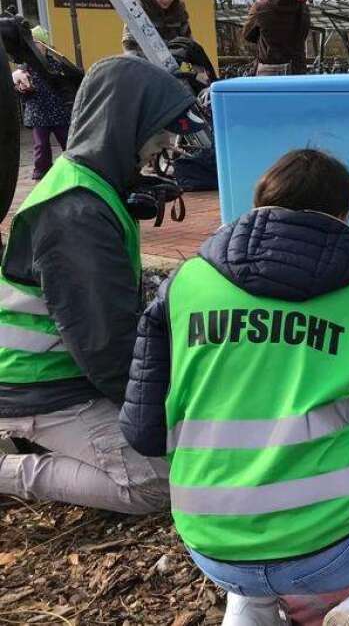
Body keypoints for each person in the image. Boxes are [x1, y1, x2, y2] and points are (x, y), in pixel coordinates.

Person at [120, 149, 349, 626]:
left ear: (259, 203)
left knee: (252, 569)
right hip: (326, 544)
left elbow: (144, 433)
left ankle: (250, 604)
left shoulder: (184, 282)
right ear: (342, 215)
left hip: (211, 545)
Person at [0, 56, 200, 513]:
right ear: (125, 122)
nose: (168, 143)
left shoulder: (89, 185)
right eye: (161, 129)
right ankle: (13, 469)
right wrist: (164, 414)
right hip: (41, 387)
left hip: (62, 374)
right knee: (166, 480)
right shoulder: (77, 214)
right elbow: (106, 347)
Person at [11, 26, 73, 181]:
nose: (34, 47)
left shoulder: (56, 65)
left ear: (45, 46)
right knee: (41, 146)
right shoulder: (25, 68)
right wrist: (23, 89)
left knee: (67, 141)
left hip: (58, 112)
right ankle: (42, 172)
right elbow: (19, 91)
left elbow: (66, 86)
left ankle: (74, 166)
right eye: (31, 44)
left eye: (37, 43)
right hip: (38, 113)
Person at [243, 0, 311, 76]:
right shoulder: (302, 7)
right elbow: (303, 33)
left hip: (268, 70)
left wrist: (264, 38)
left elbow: (247, 34)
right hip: (296, 69)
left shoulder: (260, 8)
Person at [121, 0, 192, 54]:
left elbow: (187, 41)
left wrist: (184, 59)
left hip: (174, 59)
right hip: (144, 58)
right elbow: (129, 38)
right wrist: (134, 59)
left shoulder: (179, 13)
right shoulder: (138, 10)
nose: (166, 0)